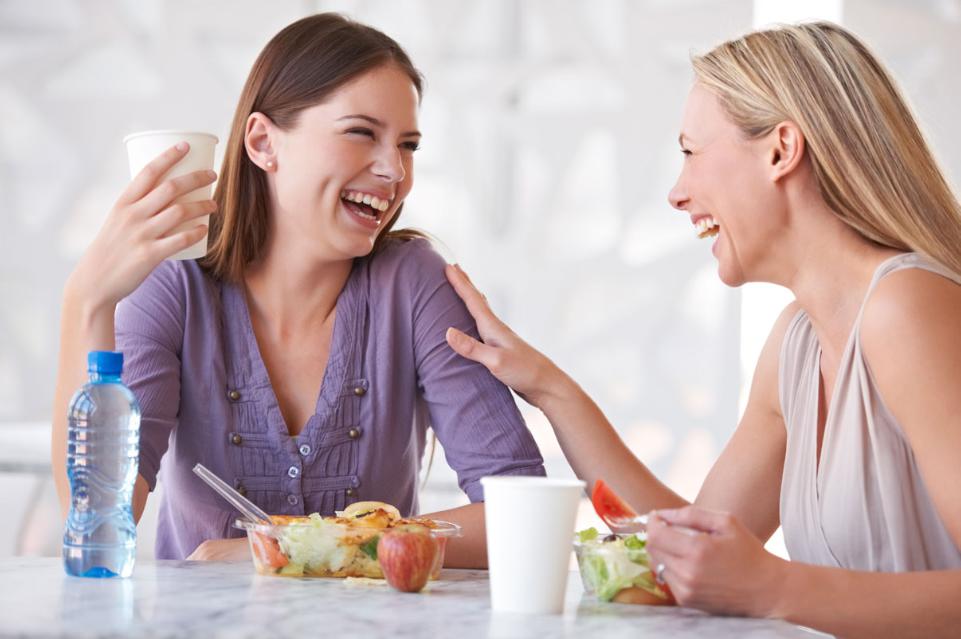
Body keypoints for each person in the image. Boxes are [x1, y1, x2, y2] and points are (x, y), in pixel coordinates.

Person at [443, 21, 961, 637]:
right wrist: (549, 386)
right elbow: (687, 537)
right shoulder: (797, 340)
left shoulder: (907, 306)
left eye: (691, 152)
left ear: (780, 151)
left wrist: (773, 586)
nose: (677, 193)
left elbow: (753, 580)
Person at [50, 13, 544, 565]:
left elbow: (519, 514)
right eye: (362, 132)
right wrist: (87, 300)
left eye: (407, 145)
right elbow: (94, 517)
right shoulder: (177, 286)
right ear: (263, 142)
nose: (394, 170)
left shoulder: (414, 283)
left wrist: (292, 551)